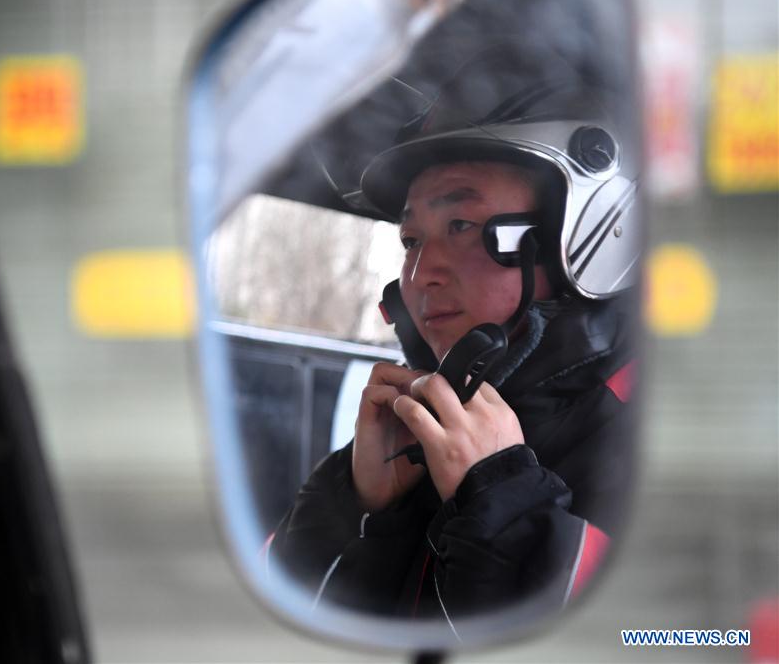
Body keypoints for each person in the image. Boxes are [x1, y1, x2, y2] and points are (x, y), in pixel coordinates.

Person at [265, 61, 640, 630]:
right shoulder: (421, 431)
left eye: (461, 225)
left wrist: (505, 511)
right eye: (411, 239)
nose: (420, 275)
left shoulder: (664, 430)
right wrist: (356, 505)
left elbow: (675, 633)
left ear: (587, 238)